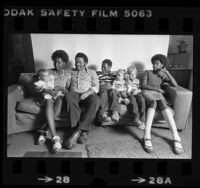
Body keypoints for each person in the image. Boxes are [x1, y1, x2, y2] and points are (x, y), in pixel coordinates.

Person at [141, 54, 184, 155]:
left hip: (157, 94)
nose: (154, 65)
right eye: (153, 63)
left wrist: (167, 73)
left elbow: (175, 85)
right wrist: (157, 89)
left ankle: (176, 137)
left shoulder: (163, 74)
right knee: (154, 101)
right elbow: (143, 85)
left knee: (161, 101)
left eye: (157, 64)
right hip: (146, 92)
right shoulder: (148, 72)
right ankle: (147, 135)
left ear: (162, 65)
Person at [36, 50, 71, 153]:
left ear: (64, 63)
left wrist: (61, 89)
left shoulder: (68, 74)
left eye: (59, 62)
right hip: (49, 94)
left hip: (60, 96)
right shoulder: (48, 72)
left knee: (59, 101)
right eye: (55, 62)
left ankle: (43, 131)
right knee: (48, 100)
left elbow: (68, 89)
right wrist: (48, 90)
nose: (56, 64)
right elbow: (42, 85)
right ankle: (55, 137)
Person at [64, 52, 100, 149]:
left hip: (87, 94)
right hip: (74, 94)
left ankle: (77, 131)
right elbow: (66, 86)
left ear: (85, 63)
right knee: (68, 96)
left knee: (96, 99)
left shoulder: (92, 72)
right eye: (76, 62)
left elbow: (96, 87)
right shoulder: (70, 72)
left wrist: (87, 93)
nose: (77, 64)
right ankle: (83, 131)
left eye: (80, 62)